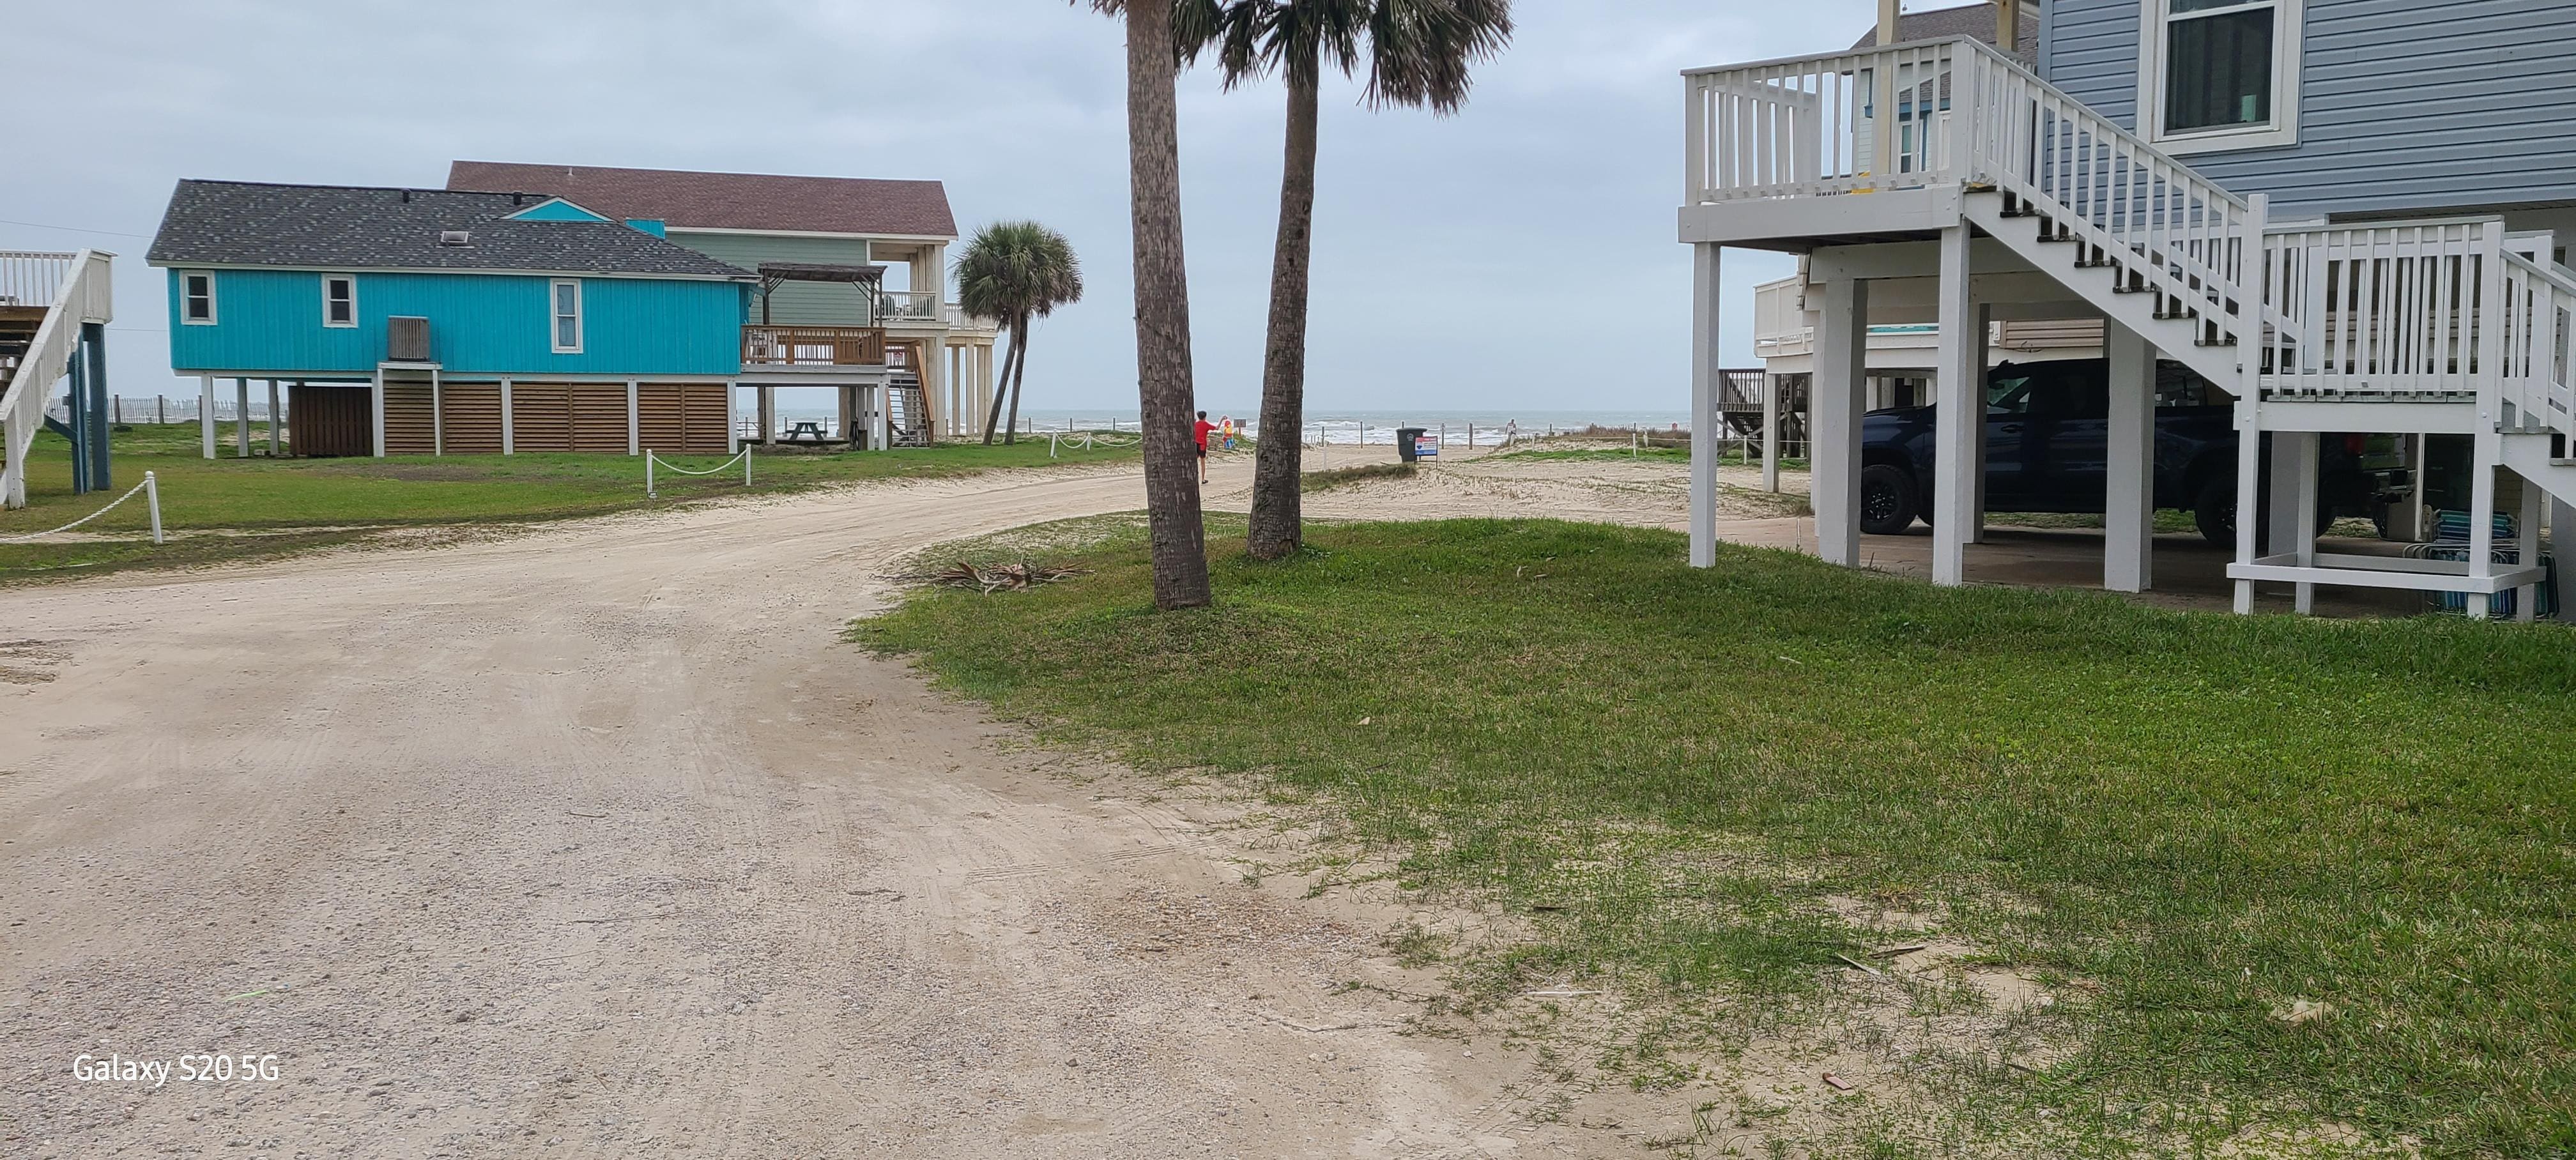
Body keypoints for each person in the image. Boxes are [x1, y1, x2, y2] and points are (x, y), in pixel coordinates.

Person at [1192, 411, 1215, 484]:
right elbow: (1217, 428)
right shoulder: (1205, 424)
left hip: (1196, 444)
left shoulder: (1195, 424)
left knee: (1194, 461)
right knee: (1203, 462)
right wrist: (1222, 419)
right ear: (1205, 417)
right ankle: (1203, 479)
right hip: (1202, 444)